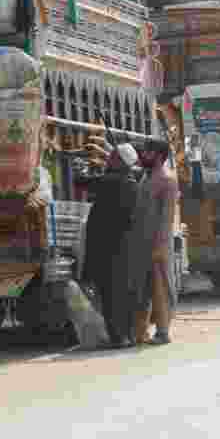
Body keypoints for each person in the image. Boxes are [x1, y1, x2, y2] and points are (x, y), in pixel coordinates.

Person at [80, 144, 144, 349]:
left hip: (109, 248)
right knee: (123, 292)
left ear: (118, 161)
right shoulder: (132, 182)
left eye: (112, 156)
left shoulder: (112, 181)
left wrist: (80, 168)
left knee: (111, 294)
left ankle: (119, 337)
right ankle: (128, 334)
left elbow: (81, 182)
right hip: (125, 247)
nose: (108, 158)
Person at [133, 138, 180, 345]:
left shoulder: (167, 179)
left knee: (160, 289)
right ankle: (141, 332)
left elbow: (167, 218)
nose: (143, 156)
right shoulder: (147, 177)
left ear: (159, 155)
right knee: (143, 290)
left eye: (147, 152)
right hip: (141, 242)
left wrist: (160, 246)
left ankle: (163, 332)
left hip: (158, 244)